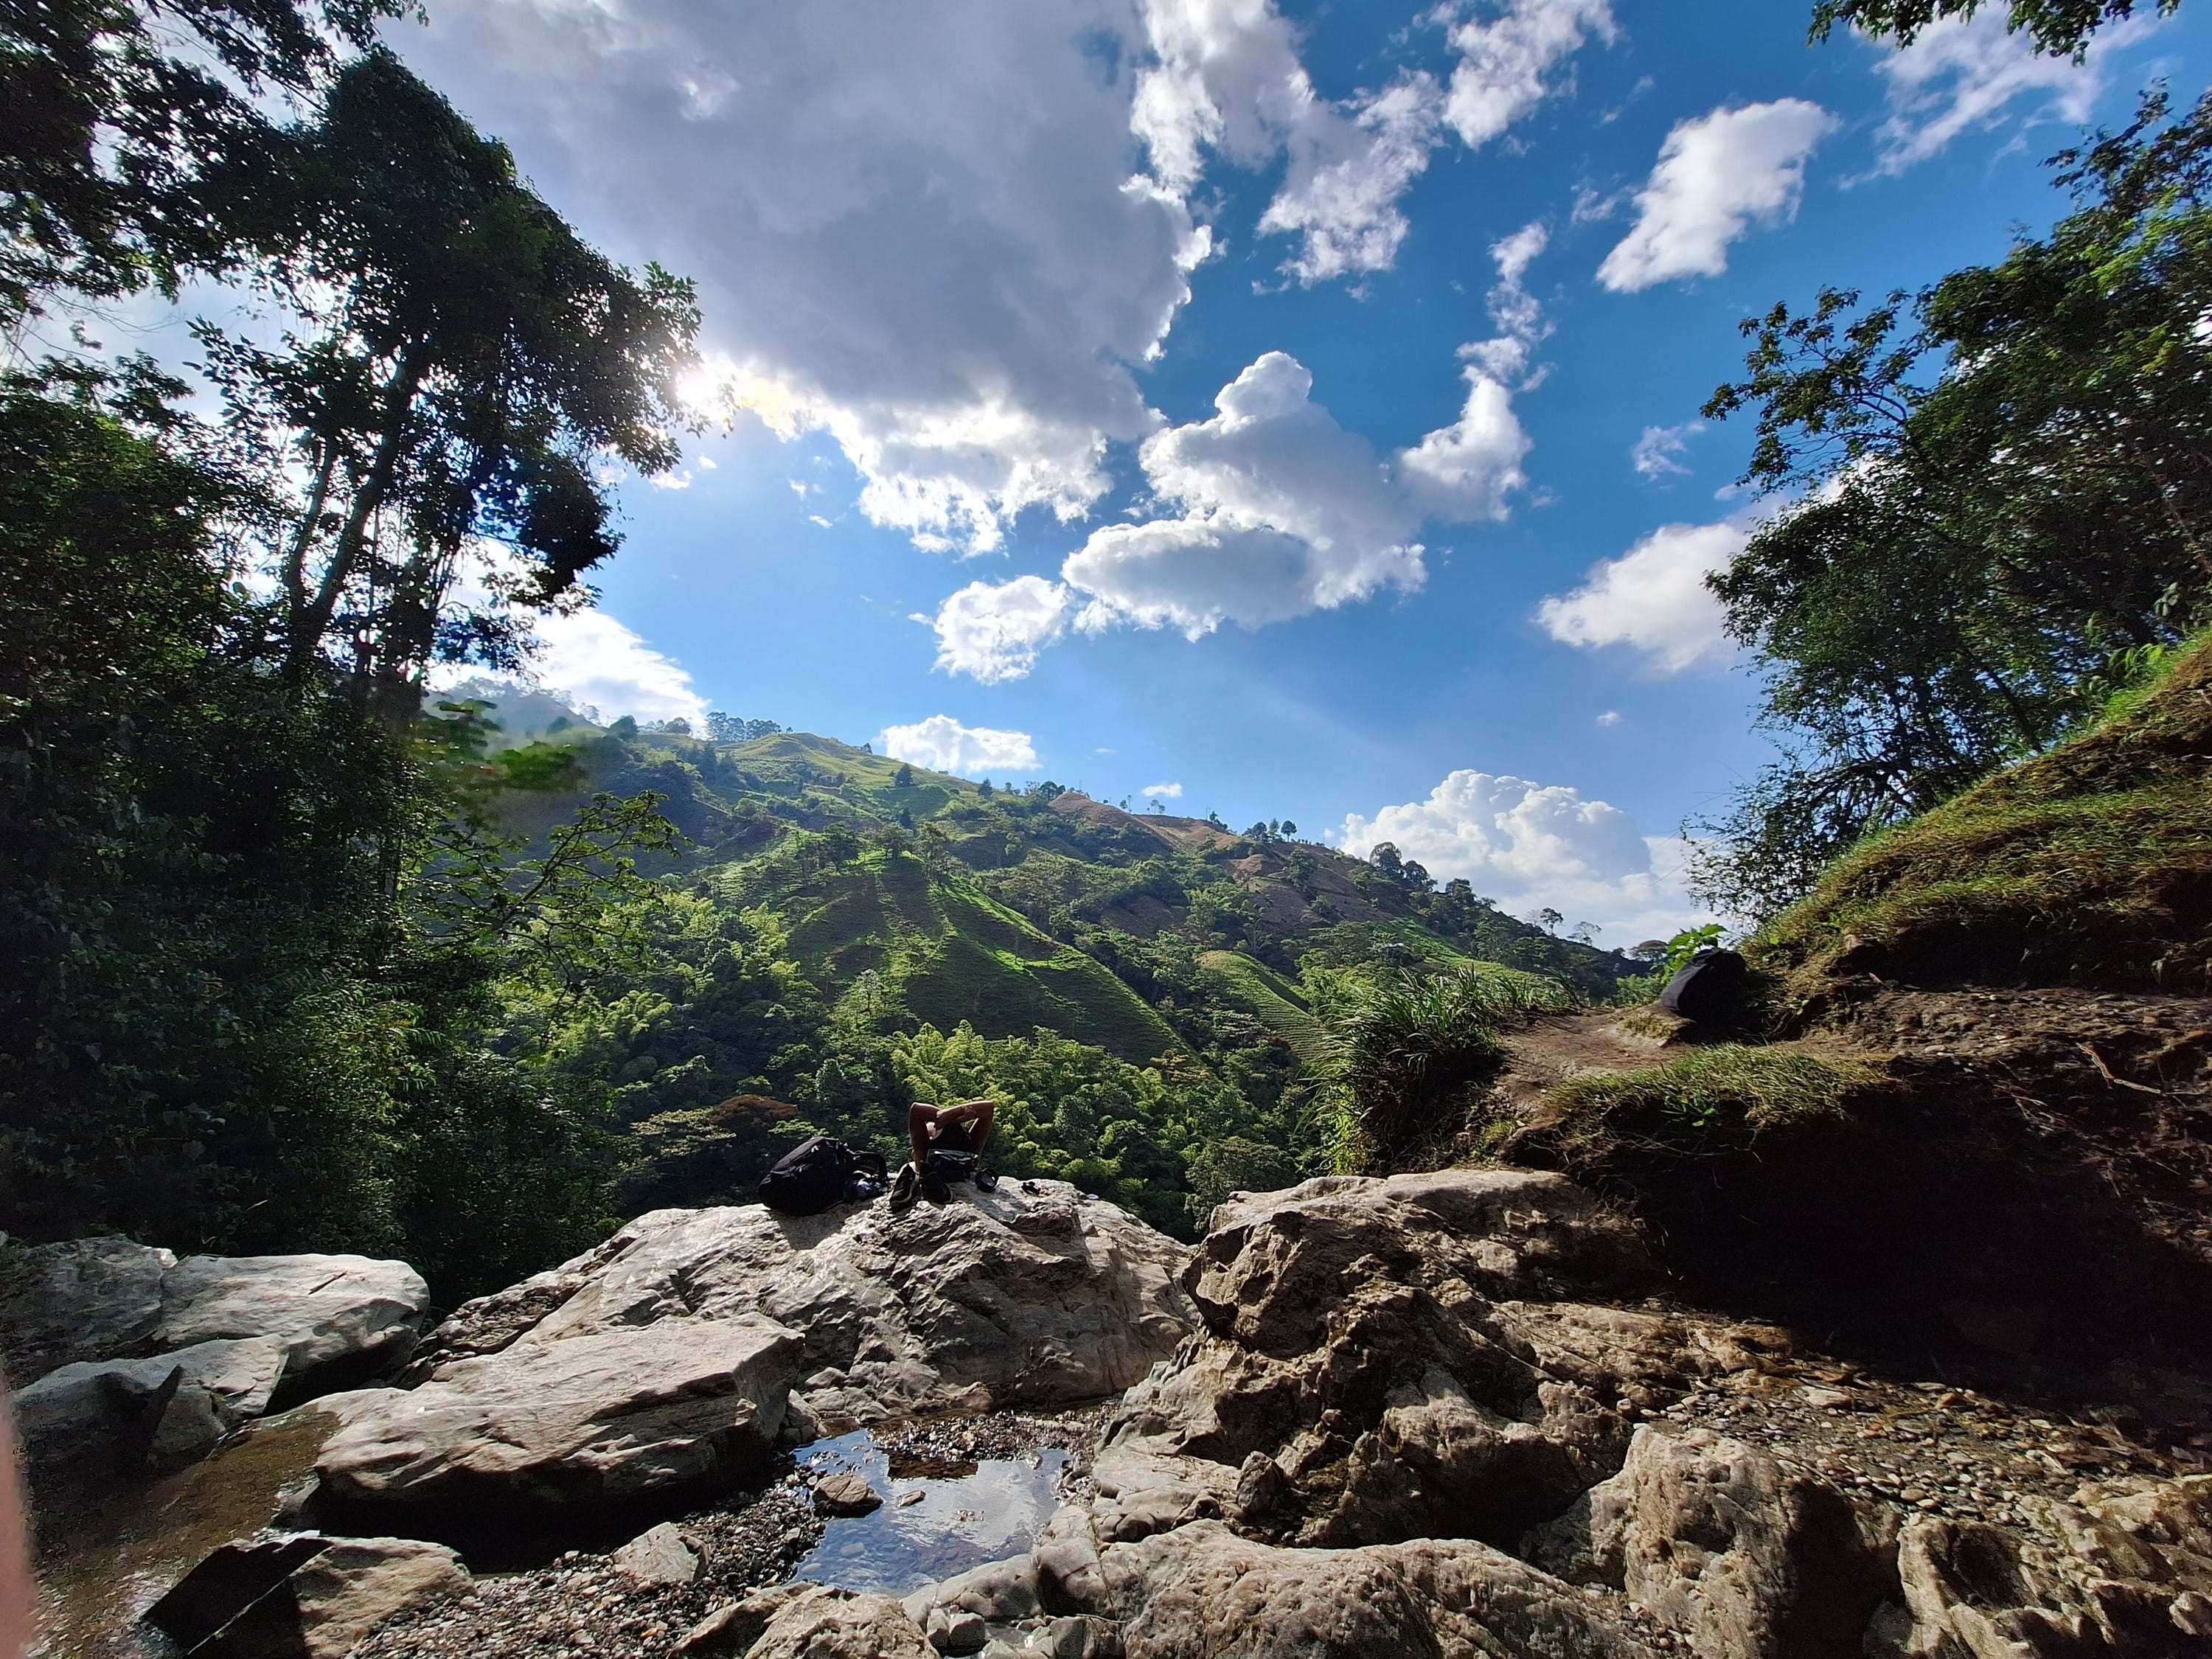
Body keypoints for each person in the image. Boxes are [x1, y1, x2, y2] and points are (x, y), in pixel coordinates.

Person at [893, 1098, 996, 1207]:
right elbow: (988, 1107)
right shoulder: (969, 1143)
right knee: (922, 1161)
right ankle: (928, 1175)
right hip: (964, 1162)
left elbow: (917, 1110)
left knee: (920, 1163)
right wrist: (956, 1115)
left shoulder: (927, 1142)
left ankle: (924, 1175)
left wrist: (948, 1117)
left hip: (937, 1164)